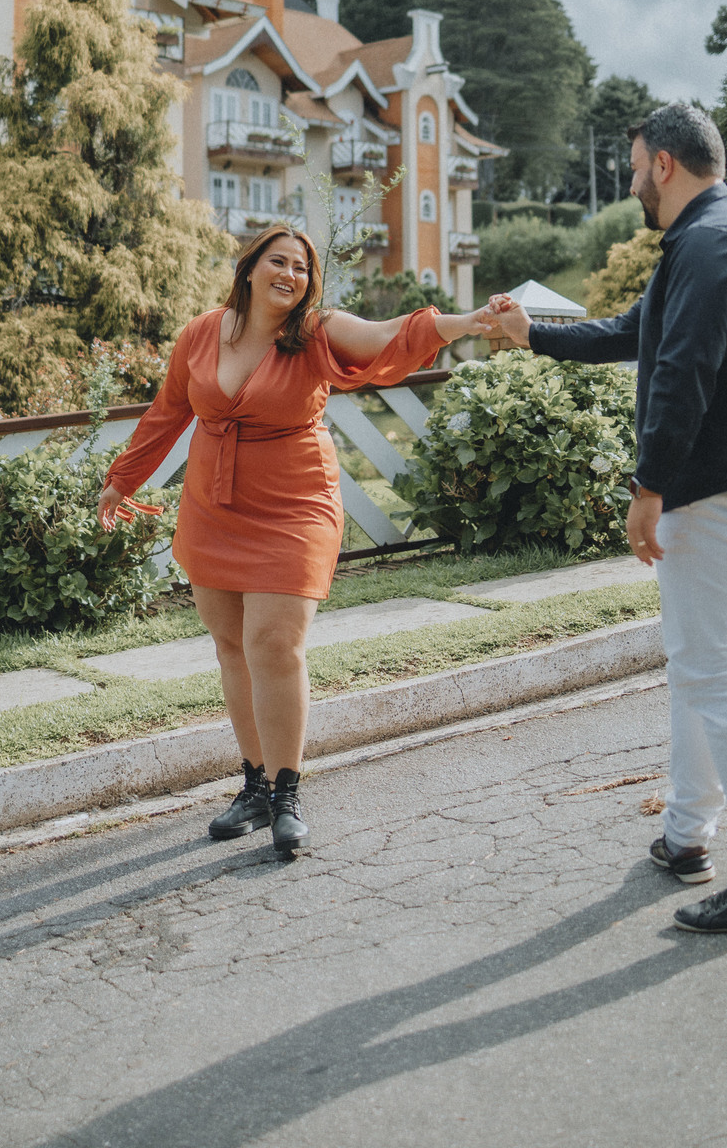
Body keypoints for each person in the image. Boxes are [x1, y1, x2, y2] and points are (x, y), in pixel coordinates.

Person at [483, 103, 727, 932]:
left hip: (721, 488)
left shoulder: (711, 241)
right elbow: (637, 332)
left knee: (718, 673)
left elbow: (683, 369)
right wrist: (534, 336)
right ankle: (687, 834)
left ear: (664, 164)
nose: (632, 182)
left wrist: (649, 486)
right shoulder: (716, 237)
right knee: (701, 665)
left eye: (635, 167)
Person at [98, 225, 492, 853]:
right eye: (278, 261)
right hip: (213, 506)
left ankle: (287, 793)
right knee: (232, 645)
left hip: (294, 504)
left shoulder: (314, 331)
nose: (290, 274)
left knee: (275, 644)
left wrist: (465, 322)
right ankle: (254, 787)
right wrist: (122, 480)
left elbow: (388, 336)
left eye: (302, 267)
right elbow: (168, 411)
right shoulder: (201, 333)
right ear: (250, 268)